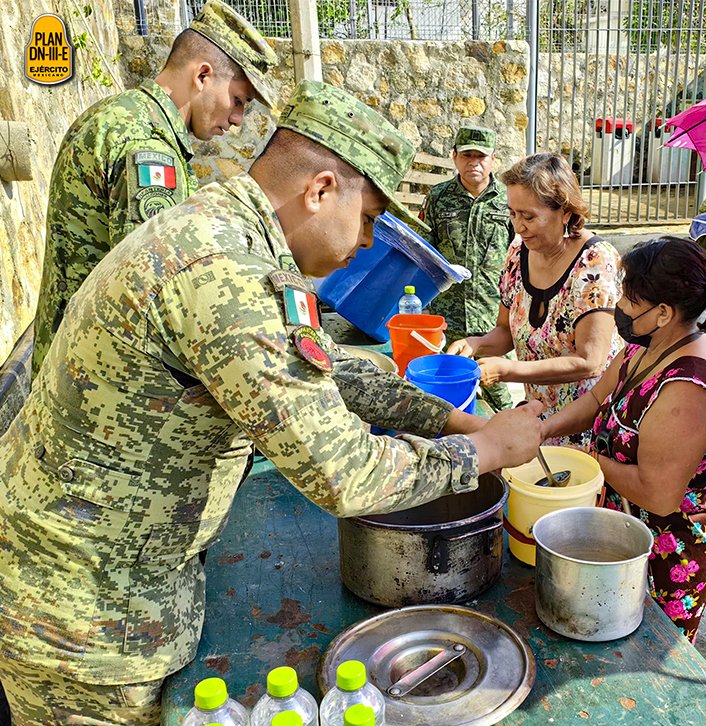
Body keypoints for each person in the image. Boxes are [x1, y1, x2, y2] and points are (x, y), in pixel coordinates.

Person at [0, 82, 545, 724]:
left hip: (112, 590)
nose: (370, 243)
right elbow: (344, 473)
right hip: (86, 626)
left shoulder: (229, 233)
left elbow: (323, 364)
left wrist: (456, 418)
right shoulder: (222, 268)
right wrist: (482, 451)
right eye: (369, 219)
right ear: (319, 190)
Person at [31, 0, 278, 378]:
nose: (236, 120)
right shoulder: (147, 148)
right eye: (239, 100)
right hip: (93, 384)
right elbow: (158, 293)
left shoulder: (119, 112)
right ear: (203, 76)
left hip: (72, 365)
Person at [543, 237, 706, 641]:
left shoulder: (689, 389)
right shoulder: (644, 347)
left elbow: (659, 494)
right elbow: (597, 398)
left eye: (629, 299)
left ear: (663, 312)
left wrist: (587, 458)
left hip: (669, 550)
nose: (620, 308)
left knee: (639, 648)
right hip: (624, 526)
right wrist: (544, 430)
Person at [448, 153, 622, 446]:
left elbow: (590, 361)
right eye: (513, 214)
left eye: (528, 216)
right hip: (540, 419)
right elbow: (505, 332)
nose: (518, 226)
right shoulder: (518, 254)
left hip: (590, 422)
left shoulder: (595, 262)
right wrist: (476, 344)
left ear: (565, 212)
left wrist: (507, 370)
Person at [420, 126, 514, 411]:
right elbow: (424, 250)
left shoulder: (508, 200)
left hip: (491, 311)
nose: (474, 162)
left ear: (493, 160)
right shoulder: (438, 198)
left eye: (481, 156)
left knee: (496, 387)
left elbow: (519, 254)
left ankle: (509, 438)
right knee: (447, 386)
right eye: (467, 155)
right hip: (447, 310)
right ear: (454, 157)